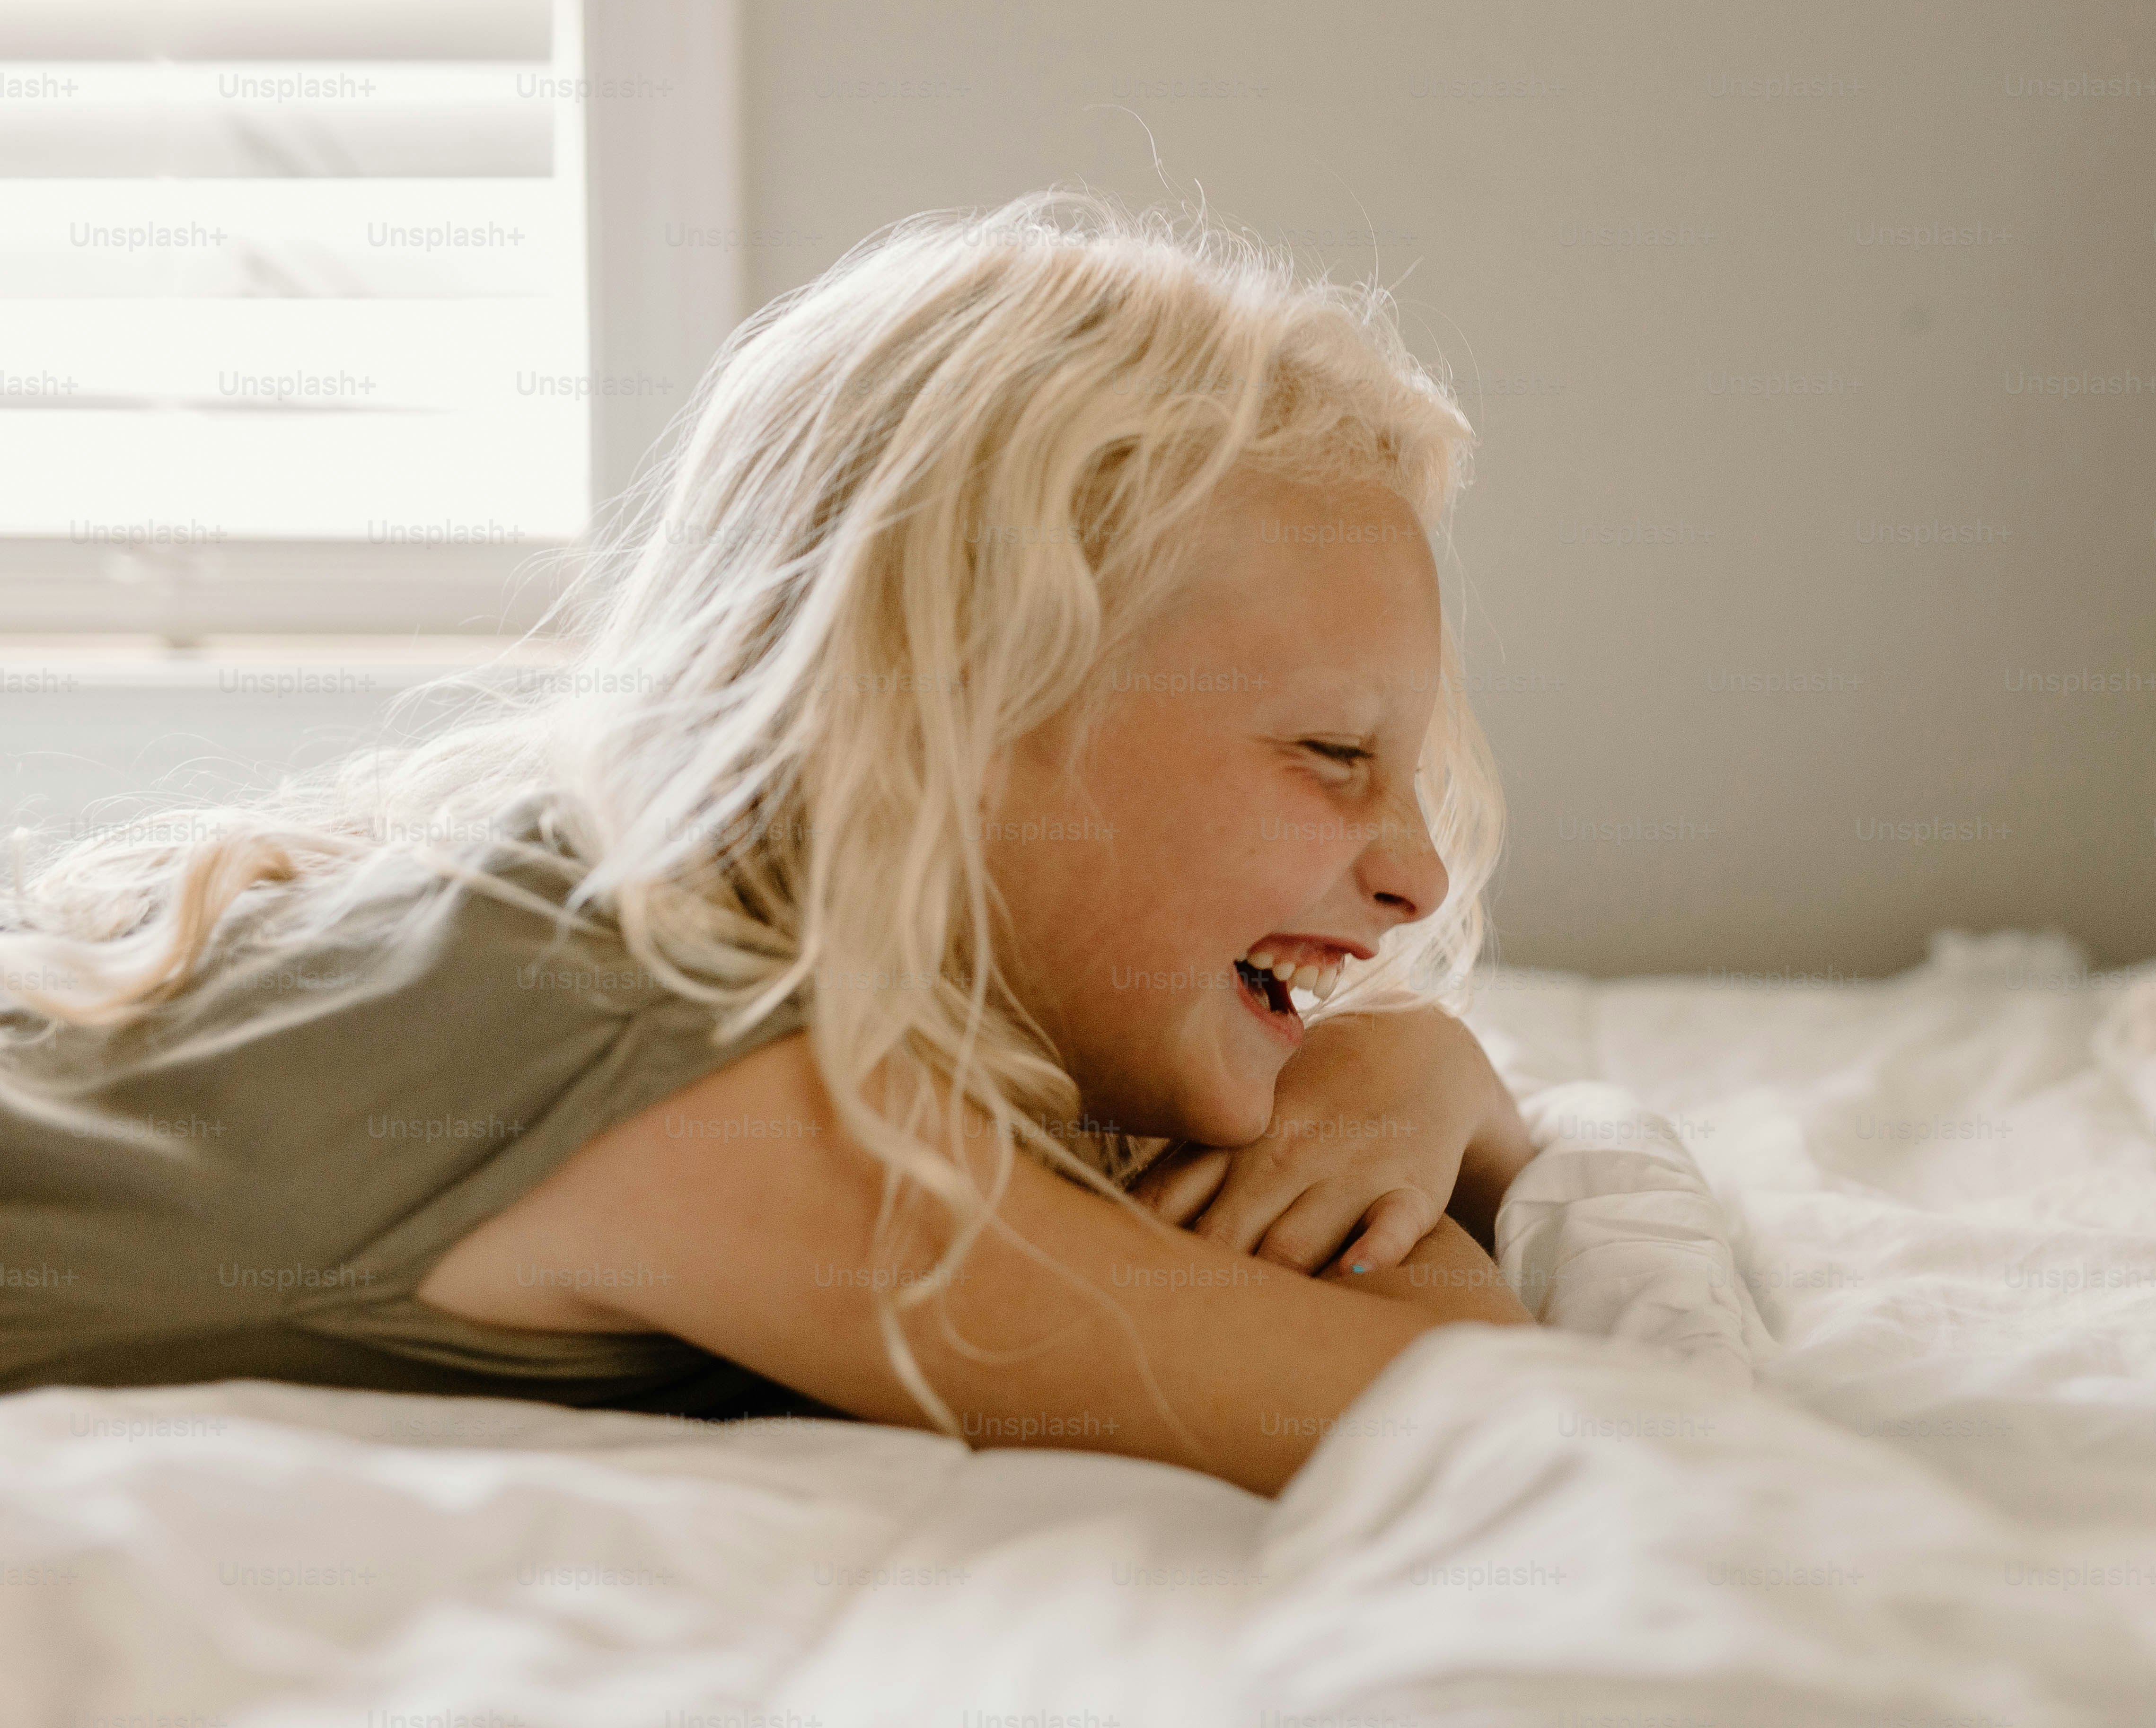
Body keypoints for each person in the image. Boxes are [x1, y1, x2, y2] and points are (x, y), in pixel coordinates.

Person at [0, 194, 1538, 1497]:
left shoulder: (720, 975)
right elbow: (1483, 1421)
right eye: (1333, 755)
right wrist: (1385, 1082)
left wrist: (1410, 1067)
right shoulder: (670, 1062)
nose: (1411, 873)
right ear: (953, 716)